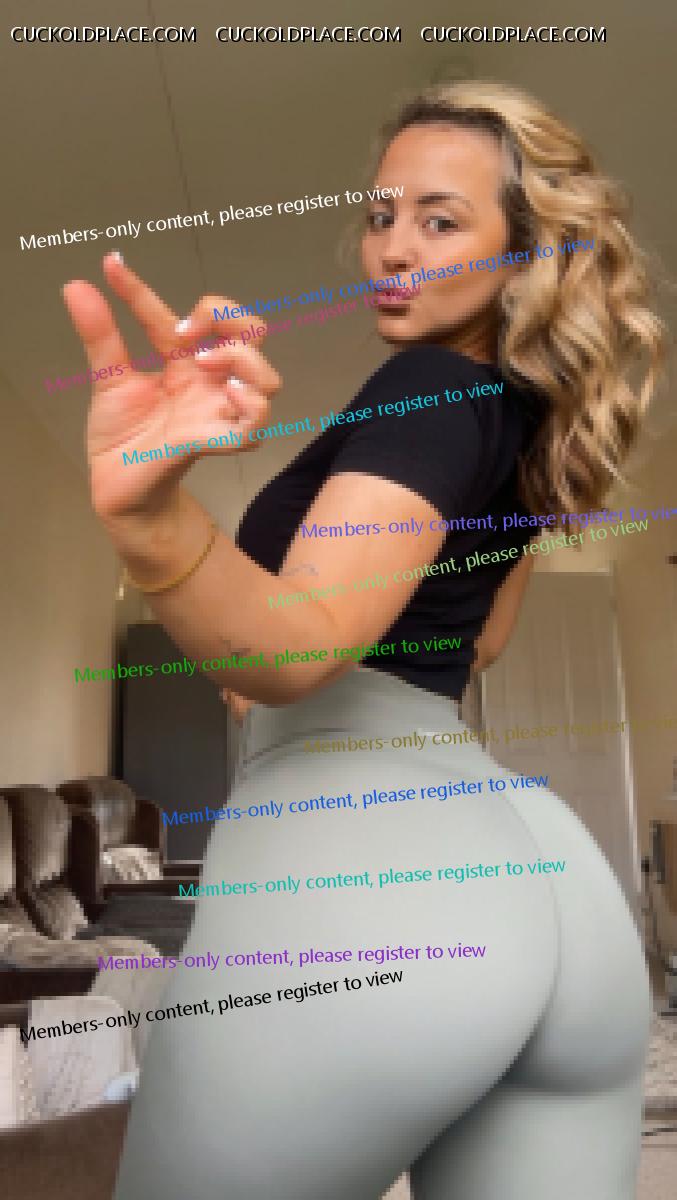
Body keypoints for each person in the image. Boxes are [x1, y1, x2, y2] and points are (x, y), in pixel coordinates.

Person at [63, 81, 664, 1200]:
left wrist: (150, 522)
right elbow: (473, 647)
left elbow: (294, 651)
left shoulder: (425, 388)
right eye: (382, 214)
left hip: (356, 865)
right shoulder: (526, 426)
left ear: (523, 251)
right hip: (551, 886)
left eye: (439, 220)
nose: (391, 246)